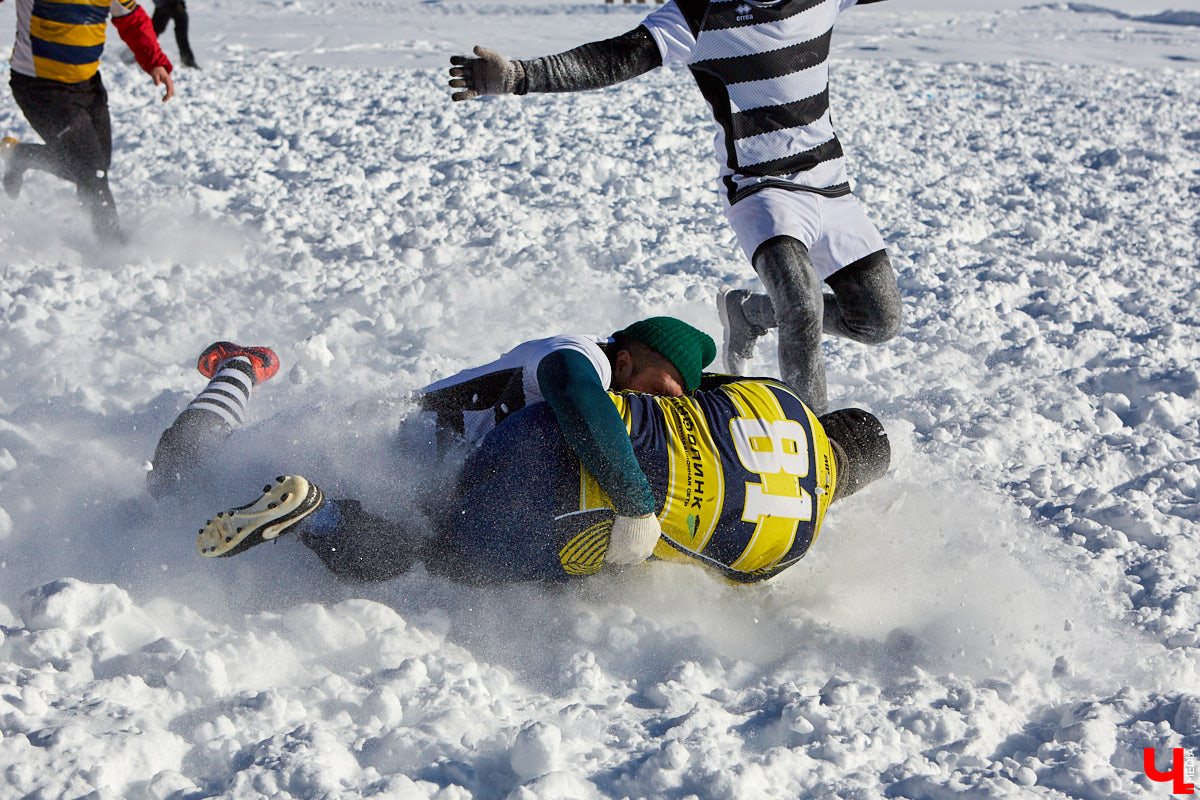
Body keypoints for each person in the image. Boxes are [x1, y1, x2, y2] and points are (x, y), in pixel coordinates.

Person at [447, 0, 902, 416]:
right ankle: (815, 446)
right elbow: (616, 57)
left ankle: (750, 312)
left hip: (831, 185)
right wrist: (521, 76)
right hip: (761, 188)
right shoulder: (702, 9)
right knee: (801, 308)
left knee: (879, 322)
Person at [195, 369, 890, 585]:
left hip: (538, 430)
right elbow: (713, 573)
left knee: (451, 501)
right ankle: (319, 517)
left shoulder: (779, 399)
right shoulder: (796, 542)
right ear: (849, 484)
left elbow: (690, 399)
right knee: (437, 557)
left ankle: (394, 472)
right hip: (564, 513)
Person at [149, 317, 718, 561]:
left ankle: (312, 515)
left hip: (426, 475)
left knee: (410, 558)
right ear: (625, 358)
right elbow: (573, 395)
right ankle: (239, 367)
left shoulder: (613, 378)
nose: (661, 410)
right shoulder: (580, 357)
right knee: (180, 470)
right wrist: (636, 504)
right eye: (661, 391)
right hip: (377, 435)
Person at [0, 0, 174, 242]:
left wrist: (154, 60)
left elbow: (133, 20)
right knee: (92, 170)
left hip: (87, 86)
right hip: (40, 87)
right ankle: (110, 244)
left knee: (97, 163)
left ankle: (22, 155)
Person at [151, 0, 197, 69]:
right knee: (151, 34)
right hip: (163, 7)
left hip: (177, 6)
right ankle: (140, 55)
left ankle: (188, 60)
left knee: (182, 36)